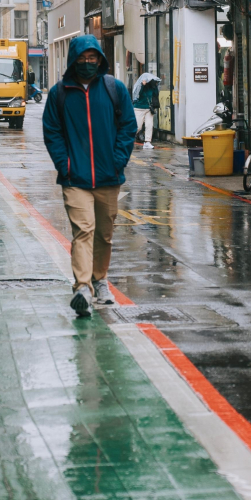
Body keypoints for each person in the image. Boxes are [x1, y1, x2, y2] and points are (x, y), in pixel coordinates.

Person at [42, 36, 138, 317]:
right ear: (73, 60)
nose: (87, 63)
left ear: (100, 59)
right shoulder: (59, 93)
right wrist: (65, 164)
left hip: (109, 177)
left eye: (92, 58)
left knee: (104, 236)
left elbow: (128, 126)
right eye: (82, 58)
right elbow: (52, 132)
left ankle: (100, 280)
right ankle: (82, 288)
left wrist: (118, 160)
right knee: (83, 230)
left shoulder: (114, 89)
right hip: (75, 179)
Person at [131, 72, 161, 149]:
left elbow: (156, 95)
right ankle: (127, 138)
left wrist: (156, 86)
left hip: (148, 108)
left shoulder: (152, 86)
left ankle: (147, 142)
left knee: (149, 125)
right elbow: (137, 94)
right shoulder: (140, 85)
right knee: (138, 126)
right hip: (138, 108)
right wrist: (142, 85)